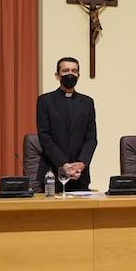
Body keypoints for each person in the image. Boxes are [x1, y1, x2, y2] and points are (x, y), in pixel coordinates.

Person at [36, 57, 98, 191]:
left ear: (78, 76)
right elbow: (45, 137)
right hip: (52, 173)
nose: (70, 74)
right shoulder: (45, 101)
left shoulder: (87, 102)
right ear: (57, 75)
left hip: (79, 175)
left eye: (74, 71)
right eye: (65, 71)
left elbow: (91, 138)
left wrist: (81, 163)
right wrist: (64, 164)